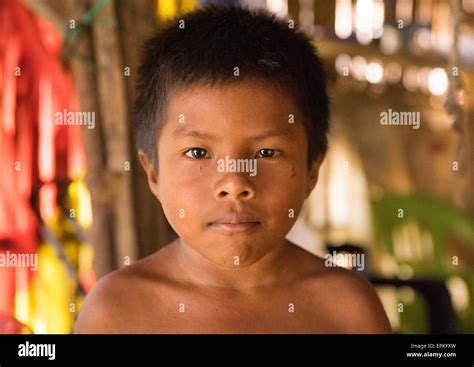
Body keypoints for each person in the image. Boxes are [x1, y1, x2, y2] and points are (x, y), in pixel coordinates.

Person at [74, 5, 391, 334]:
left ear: (313, 170)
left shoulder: (347, 310)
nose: (234, 182)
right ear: (153, 172)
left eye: (267, 152)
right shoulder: (116, 312)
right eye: (198, 153)